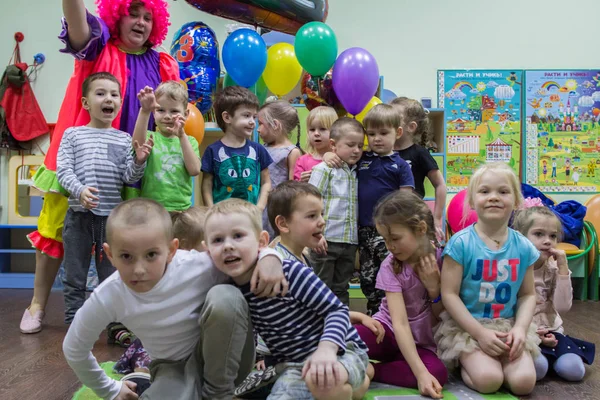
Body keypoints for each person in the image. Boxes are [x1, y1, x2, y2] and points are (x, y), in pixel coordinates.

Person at [21, 0, 179, 334]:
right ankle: (37, 304)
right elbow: (76, 20)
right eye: (133, 14)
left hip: (132, 165)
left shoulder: (162, 63)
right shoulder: (97, 46)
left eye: (148, 17)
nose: (140, 22)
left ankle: (129, 315)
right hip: (81, 159)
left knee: (130, 240)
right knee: (55, 230)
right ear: (117, 16)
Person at [63, 198, 287, 400]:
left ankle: (219, 394)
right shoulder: (108, 295)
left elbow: (249, 254)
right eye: (126, 256)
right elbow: (74, 347)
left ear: (171, 250)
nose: (139, 269)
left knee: (226, 296)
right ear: (110, 255)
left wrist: (270, 257)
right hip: (173, 368)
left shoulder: (199, 265)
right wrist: (109, 390)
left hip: (229, 361)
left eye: (151, 255)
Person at [204, 198, 371, 400]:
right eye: (218, 240)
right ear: (207, 249)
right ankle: (355, 387)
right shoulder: (231, 288)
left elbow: (336, 310)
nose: (228, 246)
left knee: (323, 382)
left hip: (342, 350)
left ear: (262, 241)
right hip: (294, 365)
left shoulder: (289, 272)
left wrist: (326, 349)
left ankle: (351, 384)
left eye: (238, 236)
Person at [56, 72, 153, 325]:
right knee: (74, 274)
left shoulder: (122, 138)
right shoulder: (72, 135)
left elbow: (128, 175)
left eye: (114, 94)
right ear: (86, 103)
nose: (108, 98)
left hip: (111, 220)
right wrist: (79, 190)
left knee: (111, 275)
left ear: (120, 103)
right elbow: (63, 171)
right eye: (100, 93)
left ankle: (115, 324)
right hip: (78, 217)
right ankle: (74, 322)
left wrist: (139, 160)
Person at [436, 162, 541, 396]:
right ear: (472, 201)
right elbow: (449, 295)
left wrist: (521, 330)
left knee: (524, 383)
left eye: (503, 191)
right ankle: (468, 366)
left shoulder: (523, 246)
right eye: (485, 191)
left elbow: (528, 294)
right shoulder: (460, 244)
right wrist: (480, 334)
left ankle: (501, 366)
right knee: (489, 381)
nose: (494, 197)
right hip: (468, 327)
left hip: (507, 325)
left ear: (515, 200)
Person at [355, 190, 447, 398]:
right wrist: (420, 373)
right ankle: (389, 363)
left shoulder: (444, 259)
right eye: (386, 239)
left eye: (395, 238)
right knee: (344, 338)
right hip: (387, 332)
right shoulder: (390, 266)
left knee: (437, 374)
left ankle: (372, 370)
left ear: (421, 229)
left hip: (423, 343)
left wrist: (434, 289)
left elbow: (444, 315)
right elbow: (400, 324)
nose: (390, 246)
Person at [114, 205, 209, 377]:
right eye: (211, 242)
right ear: (185, 248)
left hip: (194, 342)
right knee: (147, 356)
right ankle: (142, 377)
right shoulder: (164, 276)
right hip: (162, 342)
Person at [513, 206, 595, 381]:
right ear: (519, 236)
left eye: (553, 236)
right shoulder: (513, 267)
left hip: (553, 332)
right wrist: (534, 335)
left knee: (574, 371)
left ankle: (551, 358)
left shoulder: (552, 267)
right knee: (539, 368)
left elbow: (562, 307)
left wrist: (563, 268)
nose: (548, 241)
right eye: (539, 234)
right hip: (524, 333)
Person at [308, 117, 365, 305]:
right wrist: (315, 234)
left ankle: (341, 328)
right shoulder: (324, 170)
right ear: (333, 145)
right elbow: (310, 204)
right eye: (350, 145)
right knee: (320, 288)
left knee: (341, 288)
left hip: (349, 243)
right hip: (326, 241)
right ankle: (317, 330)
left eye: (360, 145)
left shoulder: (358, 171)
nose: (356, 150)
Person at [201, 86, 272, 209]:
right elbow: (207, 183)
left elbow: (266, 182)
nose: (252, 122)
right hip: (222, 218)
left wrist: (260, 207)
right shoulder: (212, 150)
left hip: (250, 216)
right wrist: (210, 209)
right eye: (246, 115)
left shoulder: (258, 149)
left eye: (254, 117)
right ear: (227, 117)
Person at [132, 82, 200, 211]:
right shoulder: (150, 137)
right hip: (151, 208)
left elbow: (194, 170)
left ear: (185, 114)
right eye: (161, 110)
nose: (167, 116)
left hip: (181, 209)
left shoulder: (189, 141)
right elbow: (137, 145)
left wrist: (181, 136)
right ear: (154, 112)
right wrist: (145, 111)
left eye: (174, 111)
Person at [391, 97, 446, 241]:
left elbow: (440, 184)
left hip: (412, 217)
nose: (388, 120)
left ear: (411, 127)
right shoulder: (384, 152)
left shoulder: (420, 153)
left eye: (393, 118)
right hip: (388, 217)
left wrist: (437, 218)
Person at [257, 100, 302, 239]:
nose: (258, 129)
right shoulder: (261, 148)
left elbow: (292, 187)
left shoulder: (291, 152)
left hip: (275, 209)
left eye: (261, 124)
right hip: (258, 204)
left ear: (275, 125)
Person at [293, 106, 338, 182]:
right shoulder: (302, 161)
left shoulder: (339, 157)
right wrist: (301, 181)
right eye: (312, 129)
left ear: (335, 131)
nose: (316, 133)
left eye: (322, 129)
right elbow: (295, 189)